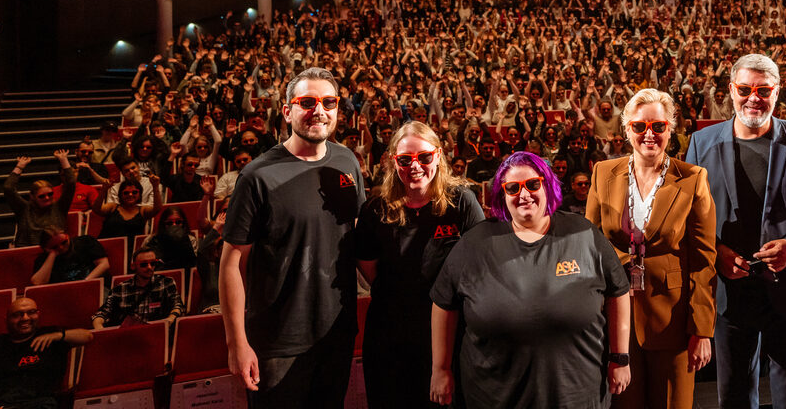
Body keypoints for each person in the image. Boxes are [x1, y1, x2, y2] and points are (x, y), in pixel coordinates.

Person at [684, 54, 786, 409]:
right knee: (735, 397)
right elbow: (691, 218)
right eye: (745, 89)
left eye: (763, 90)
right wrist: (718, 252)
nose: (754, 98)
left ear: (777, 91)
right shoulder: (701, 143)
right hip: (730, 292)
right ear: (731, 91)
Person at [429, 151, 631, 408]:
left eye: (533, 185)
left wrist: (620, 357)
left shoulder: (584, 234)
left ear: (547, 185)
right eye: (513, 188)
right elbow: (443, 303)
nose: (524, 195)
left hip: (577, 394)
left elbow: (618, 291)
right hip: (495, 396)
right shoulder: (474, 244)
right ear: (502, 195)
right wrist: (441, 368)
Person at [219, 68, 365, 407]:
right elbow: (231, 262)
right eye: (308, 102)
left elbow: (354, 237)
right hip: (278, 343)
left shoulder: (346, 161)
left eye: (329, 102)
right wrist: (236, 343)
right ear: (287, 111)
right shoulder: (257, 175)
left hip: (336, 334)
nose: (320, 110)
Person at [586, 88, 717, 409]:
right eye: (639, 126)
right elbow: (587, 248)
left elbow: (704, 260)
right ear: (626, 128)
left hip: (672, 321)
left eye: (658, 126)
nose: (649, 134)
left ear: (671, 129)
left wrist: (702, 329)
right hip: (614, 319)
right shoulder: (603, 173)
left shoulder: (693, 178)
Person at [355, 121, 484, 409]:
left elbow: (479, 264)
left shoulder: (461, 201)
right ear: (392, 161)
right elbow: (368, 265)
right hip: (390, 331)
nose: (415, 166)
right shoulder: (375, 209)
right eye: (405, 159)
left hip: (450, 329)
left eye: (424, 157)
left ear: (438, 155)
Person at [0, 297, 93, 409]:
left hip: (40, 403)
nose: (25, 318)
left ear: (38, 314)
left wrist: (57, 336)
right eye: (17, 314)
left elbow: (87, 336)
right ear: (7, 319)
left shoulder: (50, 336)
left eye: (31, 312)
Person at [92, 247, 185, 328]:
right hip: (130, 335)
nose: (149, 267)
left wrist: (170, 319)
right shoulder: (120, 289)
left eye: (153, 263)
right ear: (133, 266)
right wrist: (99, 328)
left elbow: (178, 305)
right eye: (143, 264)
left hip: (157, 333)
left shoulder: (166, 283)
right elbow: (101, 314)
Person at [4, 151, 76, 248]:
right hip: (28, 252)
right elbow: (8, 188)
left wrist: (63, 160)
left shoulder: (59, 207)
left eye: (50, 194)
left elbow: (71, 183)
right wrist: (20, 166)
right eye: (42, 196)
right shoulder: (24, 209)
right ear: (32, 197)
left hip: (56, 250)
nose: (47, 198)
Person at [92, 176, 162, 244]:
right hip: (106, 246)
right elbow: (96, 209)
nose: (130, 195)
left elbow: (157, 209)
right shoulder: (112, 206)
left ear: (140, 194)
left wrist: (155, 187)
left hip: (132, 249)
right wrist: (104, 189)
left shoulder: (143, 210)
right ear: (120, 195)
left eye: (134, 192)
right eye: (126, 193)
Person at [29, 227, 110, 286]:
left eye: (64, 242)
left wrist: (85, 282)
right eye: (54, 246)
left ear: (67, 236)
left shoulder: (85, 242)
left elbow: (104, 264)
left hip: (93, 285)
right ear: (46, 248)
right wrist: (53, 254)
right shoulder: (43, 259)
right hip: (64, 295)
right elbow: (37, 282)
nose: (61, 247)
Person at [141, 204, 201, 271]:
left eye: (178, 222)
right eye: (169, 223)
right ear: (163, 224)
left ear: (183, 223)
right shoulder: (150, 240)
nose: (174, 226)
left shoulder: (191, 240)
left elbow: (195, 265)